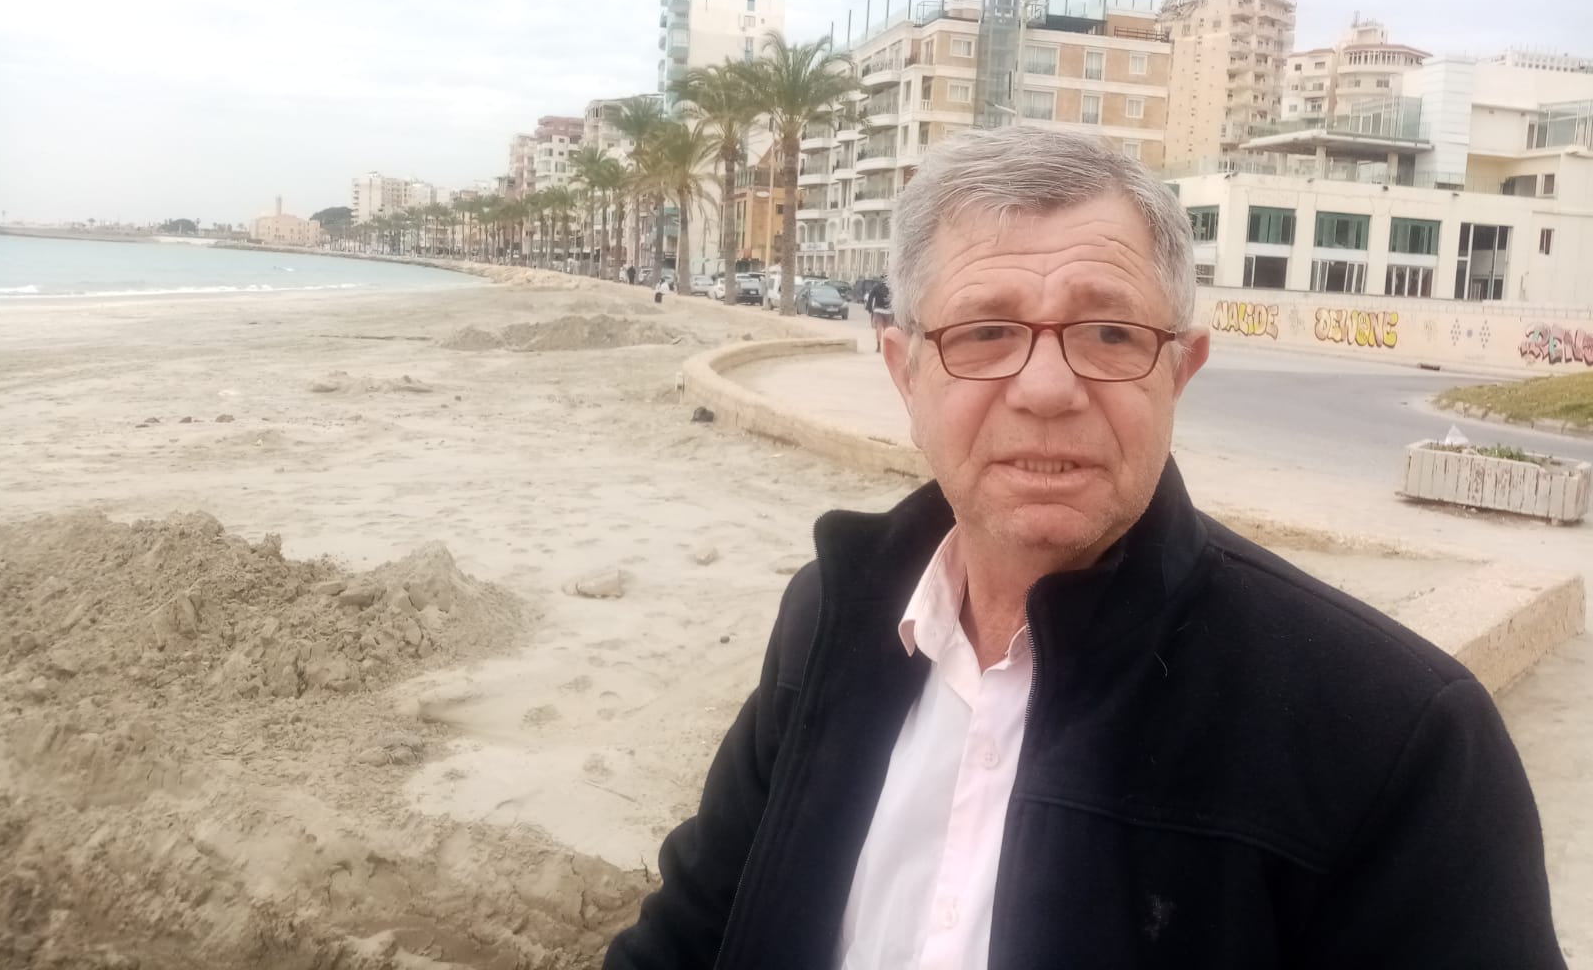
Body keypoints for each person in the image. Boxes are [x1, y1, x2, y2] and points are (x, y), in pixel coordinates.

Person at [603, 128, 1565, 970]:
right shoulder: (829, 622)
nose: (1047, 388)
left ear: (1179, 370)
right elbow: (692, 932)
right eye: (986, 332)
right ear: (905, 372)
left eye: (1109, 332)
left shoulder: (1396, 738)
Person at [865, 278, 893, 353]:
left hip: (878, 310)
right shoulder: (891, 287)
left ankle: (878, 347)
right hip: (889, 311)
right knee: (888, 329)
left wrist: (869, 309)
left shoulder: (877, 286)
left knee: (879, 327)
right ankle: (888, 348)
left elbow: (870, 297)